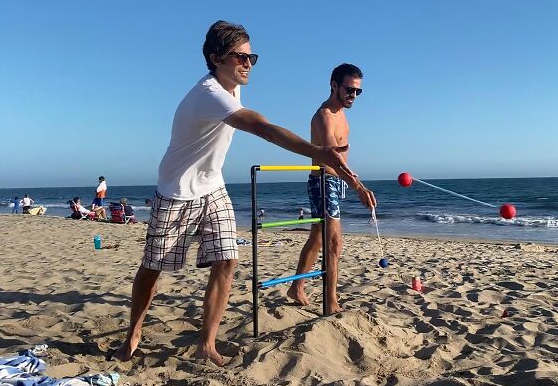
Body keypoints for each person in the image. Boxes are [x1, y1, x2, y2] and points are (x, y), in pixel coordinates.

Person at [114, 20, 364, 367]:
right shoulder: (209, 94)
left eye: (252, 57)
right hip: (177, 191)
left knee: (228, 260)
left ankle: (207, 345)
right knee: (153, 268)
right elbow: (260, 126)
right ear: (216, 58)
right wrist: (318, 152)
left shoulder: (232, 86)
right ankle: (133, 335)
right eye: (240, 57)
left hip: (213, 186)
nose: (248, 64)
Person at [287, 64, 377, 314]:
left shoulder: (343, 115)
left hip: (337, 181)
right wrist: (358, 187)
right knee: (334, 243)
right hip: (324, 181)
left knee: (317, 238)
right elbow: (331, 159)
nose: (353, 96)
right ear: (334, 85)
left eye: (358, 92)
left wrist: (352, 180)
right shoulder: (324, 116)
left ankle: (296, 287)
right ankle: (330, 301)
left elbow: (343, 159)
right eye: (349, 90)